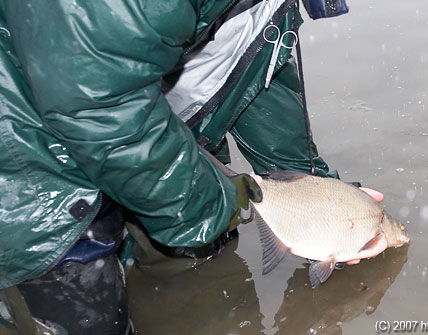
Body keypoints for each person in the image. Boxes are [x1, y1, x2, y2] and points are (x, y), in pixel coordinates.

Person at [0, 0, 380, 334]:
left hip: (135, 121)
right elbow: (101, 106)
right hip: (25, 156)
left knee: (202, 271)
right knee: (87, 315)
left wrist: (325, 196)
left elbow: (258, 59)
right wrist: (215, 203)